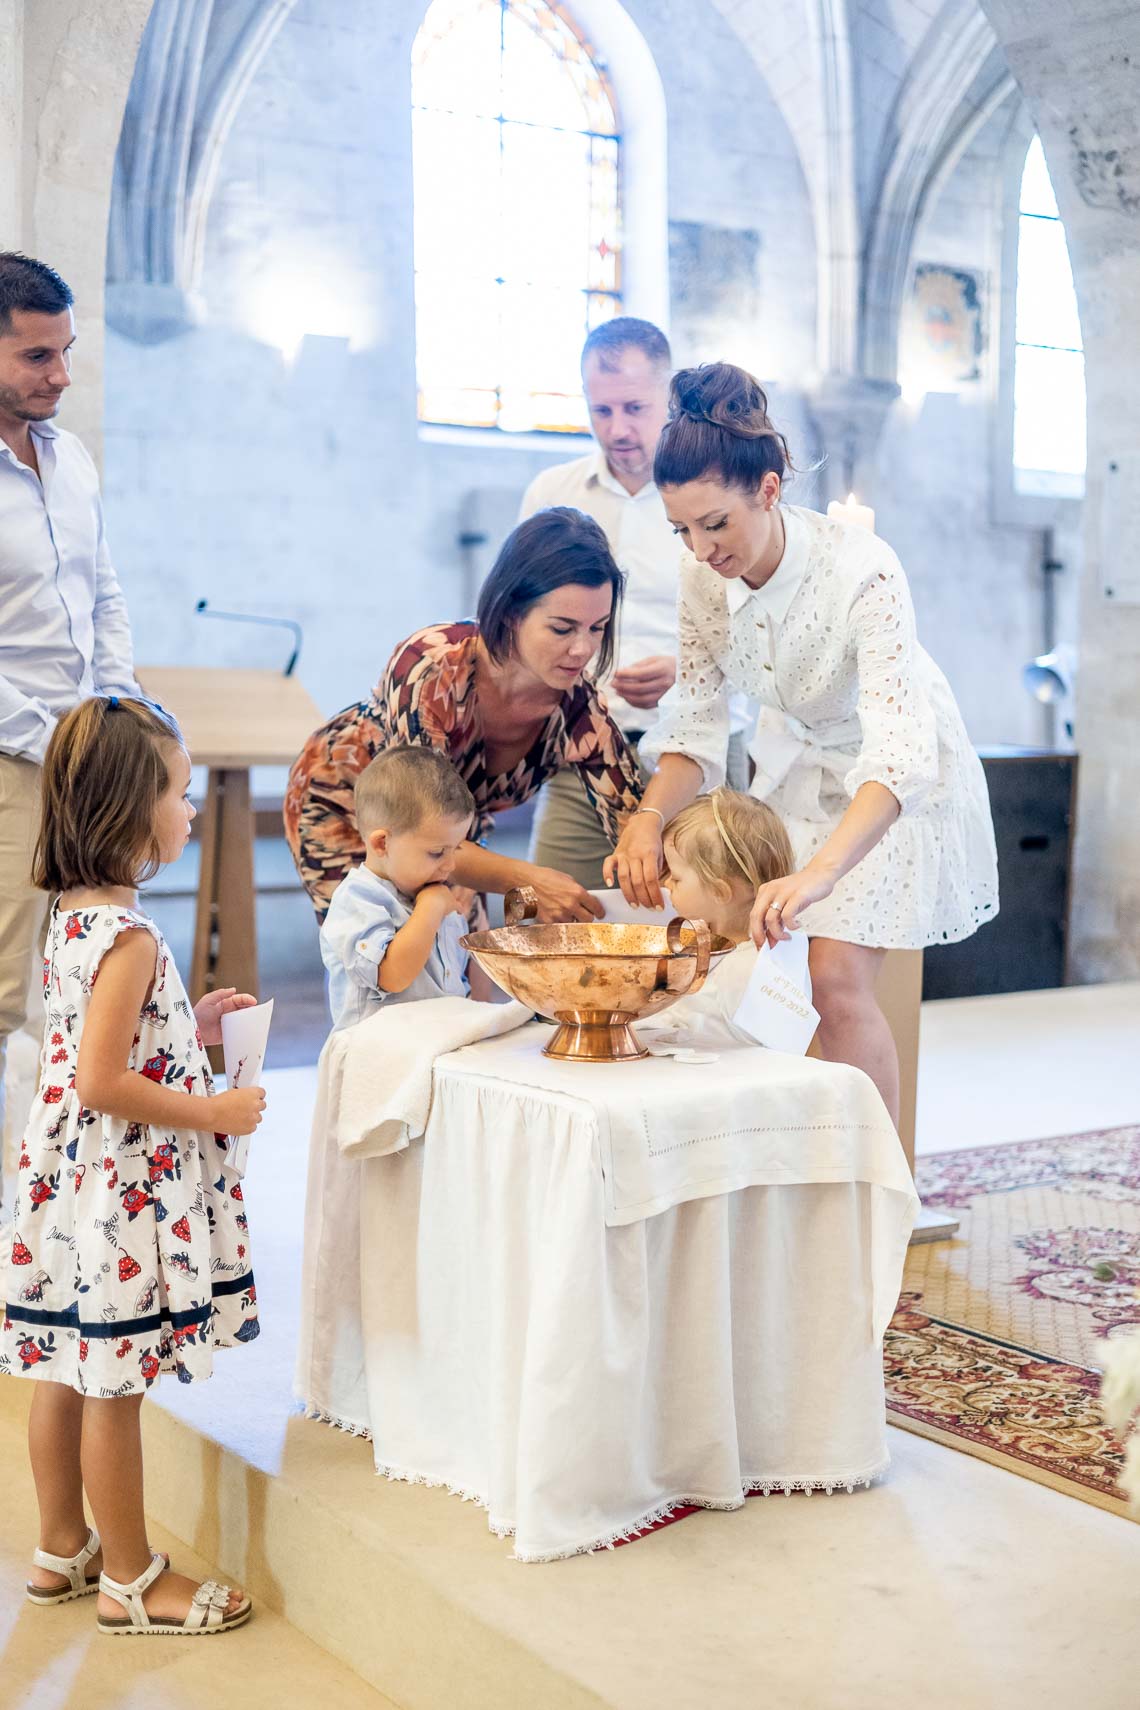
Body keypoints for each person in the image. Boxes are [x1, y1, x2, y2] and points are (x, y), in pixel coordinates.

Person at [606, 362, 999, 1122]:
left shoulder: (863, 570)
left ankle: (875, 1178)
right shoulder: (700, 580)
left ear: (768, 489)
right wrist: (648, 818)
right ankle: (793, 1157)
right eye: (681, 529)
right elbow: (697, 724)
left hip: (894, 781)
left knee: (833, 979)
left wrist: (819, 874)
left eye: (715, 524)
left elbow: (899, 754)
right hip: (798, 768)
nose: (700, 549)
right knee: (765, 968)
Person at [0, 696, 264, 1636]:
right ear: (129, 809)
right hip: (118, 1194)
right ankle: (129, 1580)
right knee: (114, 1386)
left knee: (63, 1369)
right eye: (180, 794)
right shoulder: (132, 937)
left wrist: (191, 1028)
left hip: (66, 1189)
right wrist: (215, 1110)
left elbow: (97, 1045)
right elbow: (104, 1080)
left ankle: (59, 1546)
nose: (190, 811)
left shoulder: (73, 919)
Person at [285, 507, 644, 924]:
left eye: (597, 628)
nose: (582, 650)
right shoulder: (432, 668)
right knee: (378, 951)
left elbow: (632, 821)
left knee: (459, 952)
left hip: (447, 835)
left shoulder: (580, 707)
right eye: (562, 629)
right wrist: (530, 880)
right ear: (510, 613)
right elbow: (418, 826)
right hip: (344, 800)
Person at [0, 252, 140, 1209]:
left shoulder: (71, 456)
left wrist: (117, 711)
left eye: (67, 351)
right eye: (37, 356)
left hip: (90, 761)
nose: (61, 375)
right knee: (11, 995)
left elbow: (105, 594)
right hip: (15, 761)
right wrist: (52, 739)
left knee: (89, 982)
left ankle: (67, 1208)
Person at [519, 317, 749, 887]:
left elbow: (759, 630)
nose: (617, 428)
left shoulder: (715, 496)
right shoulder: (552, 493)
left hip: (702, 748)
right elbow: (521, 619)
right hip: (582, 748)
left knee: (706, 919)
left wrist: (686, 672)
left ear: (667, 400)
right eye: (601, 410)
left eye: (635, 408)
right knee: (554, 910)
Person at [321, 746, 477, 1030]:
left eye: (455, 849)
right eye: (437, 852)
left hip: (435, 1040)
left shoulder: (430, 892)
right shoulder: (357, 899)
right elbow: (393, 976)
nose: (451, 865)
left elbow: (455, 984)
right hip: (379, 1050)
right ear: (382, 844)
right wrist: (431, 908)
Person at [640, 789, 803, 1052]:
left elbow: (758, 1053)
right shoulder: (704, 947)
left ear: (720, 891)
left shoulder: (747, 969)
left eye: (677, 878)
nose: (666, 884)